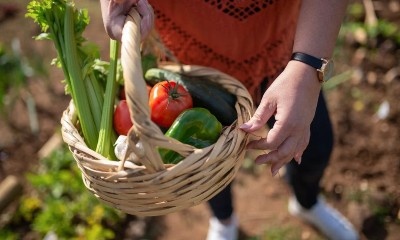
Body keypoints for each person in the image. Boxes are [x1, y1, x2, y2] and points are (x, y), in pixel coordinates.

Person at [100, 0, 359, 239]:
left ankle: (307, 202)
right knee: (207, 163)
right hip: (188, 60)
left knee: (316, 147)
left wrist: (307, 68)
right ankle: (224, 221)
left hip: (284, 52)